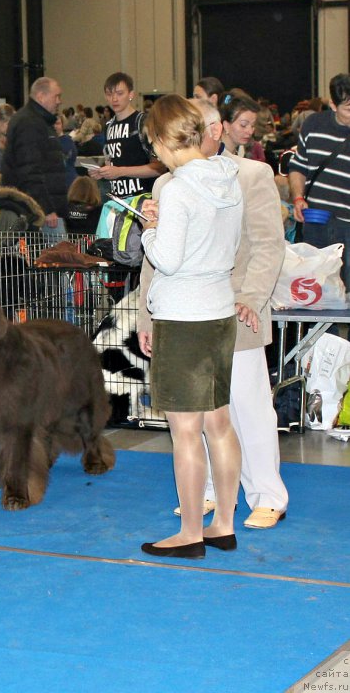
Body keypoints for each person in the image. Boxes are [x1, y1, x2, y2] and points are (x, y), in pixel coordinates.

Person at [139, 98, 288, 530]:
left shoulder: (252, 175)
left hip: (236, 311)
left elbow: (268, 245)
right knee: (196, 416)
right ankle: (204, 496)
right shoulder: (166, 184)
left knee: (248, 407)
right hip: (180, 313)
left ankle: (267, 495)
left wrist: (252, 297)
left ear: (215, 130)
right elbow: (155, 266)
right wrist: (146, 317)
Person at [136, 94, 246, 559]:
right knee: (219, 424)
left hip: (183, 318)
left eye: (153, 143)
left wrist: (148, 228)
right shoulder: (229, 177)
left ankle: (189, 534)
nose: (155, 153)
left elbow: (168, 259)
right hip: (220, 312)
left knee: (185, 431)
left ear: (163, 138)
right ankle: (223, 522)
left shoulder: (176, 188)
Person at [289, 73, 350, 290]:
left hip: (348, 225)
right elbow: (298, 166)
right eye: (348, 109)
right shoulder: (313, 125)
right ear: (333, 105)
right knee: (317, 290)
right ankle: (323, 327)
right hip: (316, 222)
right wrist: (298, 197)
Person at [1, 76, 68, 233]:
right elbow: (29, 170)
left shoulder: (40, 122)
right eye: (56, 96)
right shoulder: (29, 123)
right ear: (41, 96)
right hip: (39, 212)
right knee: (58, 256)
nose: (59, 101)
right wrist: (46, 208)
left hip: (40, 208)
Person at [87, 72, 164, 198]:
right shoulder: (108, 126)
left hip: (143, 200)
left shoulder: (144, 122)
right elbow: (112, 162)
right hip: (119, 200)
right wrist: (103, 172)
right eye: (109, 94)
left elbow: (159, 167)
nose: (114, 99)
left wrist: (120, 171)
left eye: (119, 93)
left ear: (131, 94)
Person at [219, 91, 260, 157]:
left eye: (252, 126)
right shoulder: (213, 155)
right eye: (243, 125)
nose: (250, 132)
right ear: (226, 125)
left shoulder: (240, 149)